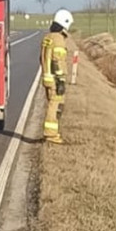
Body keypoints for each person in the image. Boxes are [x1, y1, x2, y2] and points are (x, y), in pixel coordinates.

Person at [40, 9, 73, 143]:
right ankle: (51, 134)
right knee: (55, 104)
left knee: (53, 103)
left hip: (46, 76)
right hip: (54, 79)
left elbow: (42, 58)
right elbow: (57, 61)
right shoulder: (58, 39)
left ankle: (53, 131)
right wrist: (60, 80)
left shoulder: (48, 37)